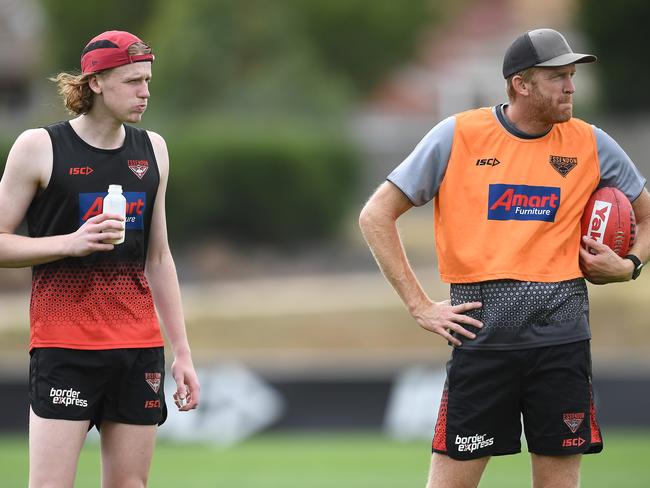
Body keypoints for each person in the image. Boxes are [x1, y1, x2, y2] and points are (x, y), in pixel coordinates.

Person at [359, 28, 650, 488]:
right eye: (558, 77)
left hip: (562, 343)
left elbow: (647, 217)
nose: (571, 87)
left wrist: (630, 265)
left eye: (572, 76)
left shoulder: (592, 143)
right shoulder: (458, 135)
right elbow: (376, 216)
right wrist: (420, 305)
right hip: (482, 342)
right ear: (521, 83)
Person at [0, 31, 200, 487]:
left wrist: (182, 352)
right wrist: (68, 242)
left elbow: (160, 257)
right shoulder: (39, 147)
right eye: (131, 81)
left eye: (147, 80)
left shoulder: (154, 151)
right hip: (64, 346)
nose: (144, 92)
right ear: (94, 83)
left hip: (137, 348)